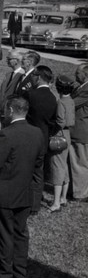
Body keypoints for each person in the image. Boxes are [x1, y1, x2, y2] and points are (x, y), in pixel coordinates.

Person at [0, 97, 46, 278]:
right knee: (21, 233)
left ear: (12, 110)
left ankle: (4, 275)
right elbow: (39, 164)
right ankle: (20, 273)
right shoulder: (37, 133)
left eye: (6, 110)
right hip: (26, 192)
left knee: (4, 234)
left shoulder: (6, 134)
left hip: (6, 192)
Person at [26, 65, 57, 214]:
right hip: (43, 139)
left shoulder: (31, 95)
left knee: (25, 171)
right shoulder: (53, 97)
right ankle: (35, 205)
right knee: (39, 174)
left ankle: (25, 201)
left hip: (28, 138)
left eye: (33, 76)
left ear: (37, 77)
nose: (31, 78)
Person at [49, 75, 74, 212]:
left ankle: (56, 202)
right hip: (68, 135)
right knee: (63, 165)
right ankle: (63, 198)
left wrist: (52, 130)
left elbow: (60, 121)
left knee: (57, 166)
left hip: (59, 135)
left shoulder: (60, 103)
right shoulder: (71, 101)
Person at [70, 63, 88, 202]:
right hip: (78, 130)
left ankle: (81, 193)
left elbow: (70, 103)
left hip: (81, 131)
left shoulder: (86, 90)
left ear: (85, 74)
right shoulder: (80, 87)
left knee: (80, 163)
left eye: (78, 73)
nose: (75, 75)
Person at [0, 49, 25, 119]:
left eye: (9, 59)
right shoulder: (9, 74)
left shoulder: (22, 75)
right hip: (3, 110)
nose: (6, 61)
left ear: (17, 60)